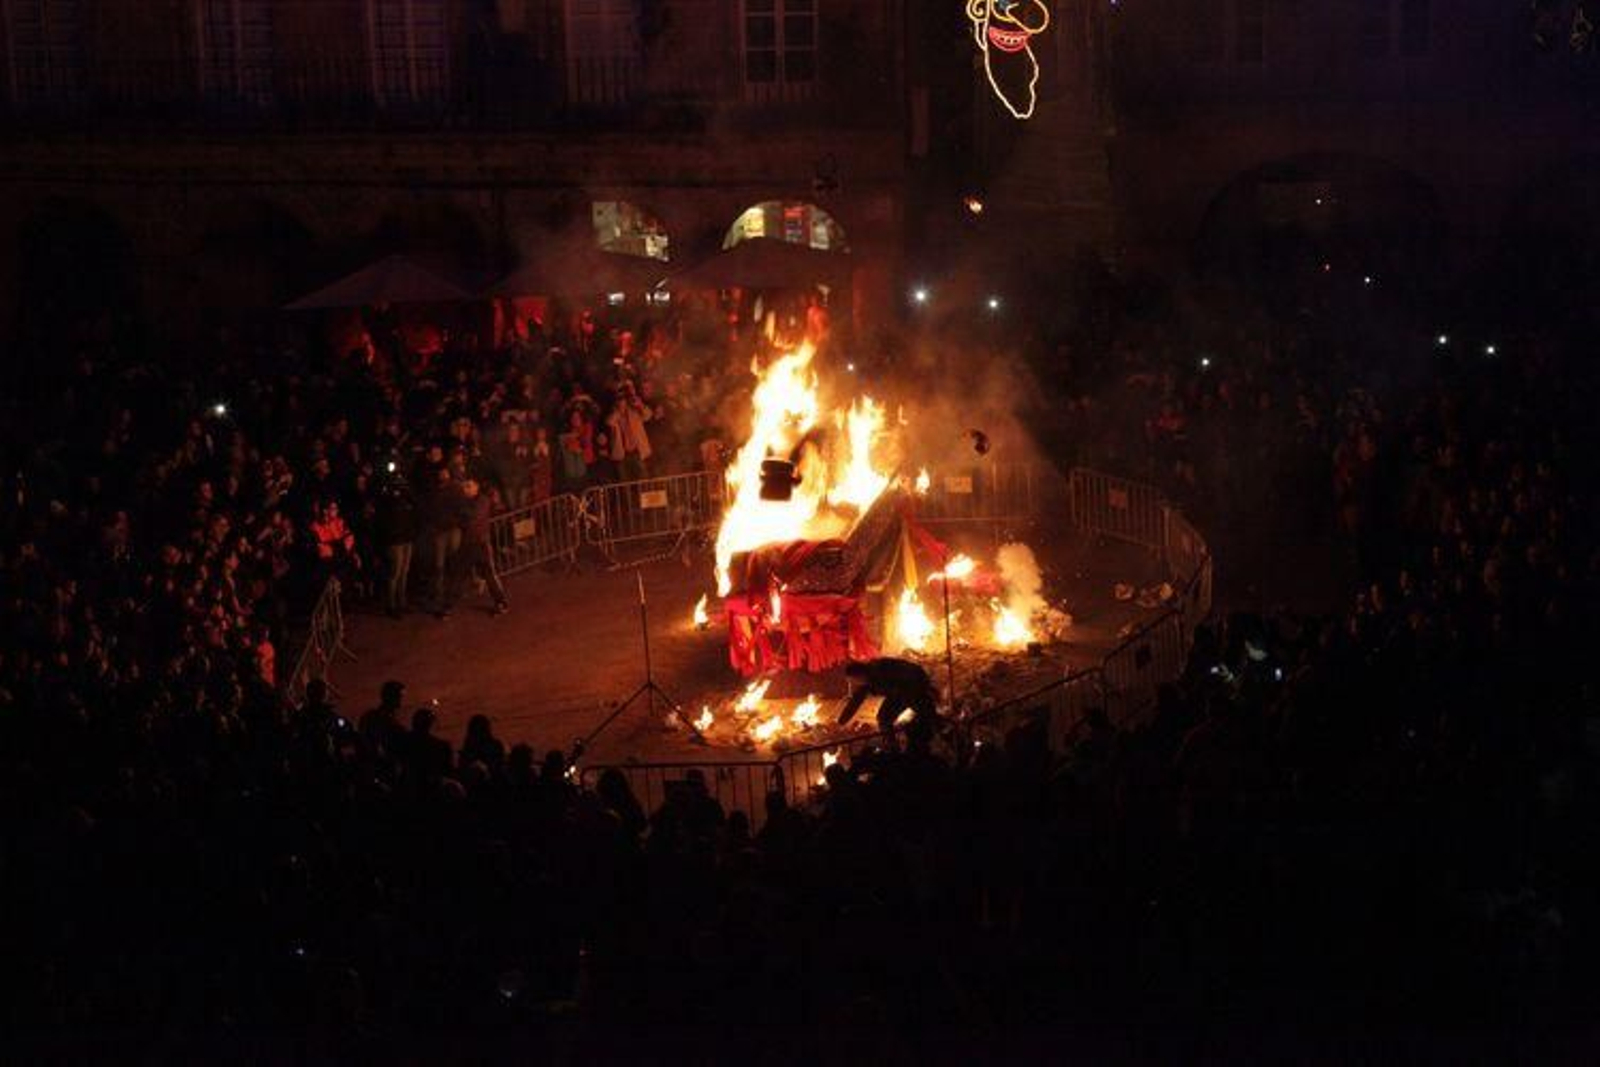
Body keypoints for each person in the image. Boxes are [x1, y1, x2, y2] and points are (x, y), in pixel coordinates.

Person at [837, 657, 941, 748]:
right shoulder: (868, 682)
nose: (854, 684)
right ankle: (892, 746)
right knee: (884, 717)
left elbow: (908, 673)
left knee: (924, 715)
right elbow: (855, 702)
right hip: (901, 692)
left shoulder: (880, 669)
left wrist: (925, 687)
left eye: (853, 680)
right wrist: (841, 722)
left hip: (911, 686)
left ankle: (940, 735)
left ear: (859, 675)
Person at [440, 479, 508, 616]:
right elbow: (457, 518)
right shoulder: (466, 502)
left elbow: (471, 518)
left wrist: (460, 515)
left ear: (476, 487)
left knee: (489, 575)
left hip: (481, 544)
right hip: (468, 544)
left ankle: (501, 603)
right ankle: (448, 606)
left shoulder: (482, 501)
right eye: (465, 486)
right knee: (458, 575)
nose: (466, 489)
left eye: (469, 486)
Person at [372, 481, 416, 617]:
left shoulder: (407, 500)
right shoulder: (387, 502)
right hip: (395, 541)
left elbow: (414, 511)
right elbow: (382, 522)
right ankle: (391, 606)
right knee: (394, 574)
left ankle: (401, 603)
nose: (399, 490)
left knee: (404, 573)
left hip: (406, 539)